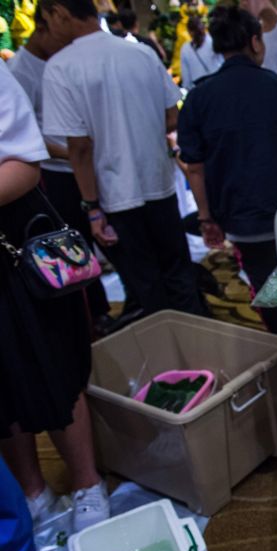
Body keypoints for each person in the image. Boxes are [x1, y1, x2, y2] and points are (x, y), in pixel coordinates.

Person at [41, 0, 206, 317]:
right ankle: (202, 348)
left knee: (146, 284)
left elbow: (79, 147)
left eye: (48, 19)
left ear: (60, 13)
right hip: (159, 182)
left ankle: (172, 358)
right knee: (179, 273)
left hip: (116, 194)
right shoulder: (141, 52)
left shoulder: (62, 67)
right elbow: (172, 117)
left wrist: (91, 207)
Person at [0, 60, 108, 533]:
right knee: (1, 386)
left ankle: (87, 485)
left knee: (53, 366)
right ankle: (32, 493)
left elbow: (26, 162)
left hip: (17, 250)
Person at [177, 6, 277, 336]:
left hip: (241, 221)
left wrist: (205, 217)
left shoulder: (199, 98)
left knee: (264, 285)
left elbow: (195, 168)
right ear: (256, 42)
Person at [6, 6, 112, 325]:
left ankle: (100, 309)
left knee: (96, 238)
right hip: (59, 172)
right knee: (69, 248)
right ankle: (93, 312)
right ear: (46, 23)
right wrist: (71, 153)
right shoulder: (22, 70)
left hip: (80, 163)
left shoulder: (60, 61)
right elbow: (29, 141)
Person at [179, 14, 223, 90]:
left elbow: (186, 78)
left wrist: (189, 88)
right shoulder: (212, 39)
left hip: (200, 86)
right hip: (219, 77)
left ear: (189, 32)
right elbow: (222, 59)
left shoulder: (185, 49)